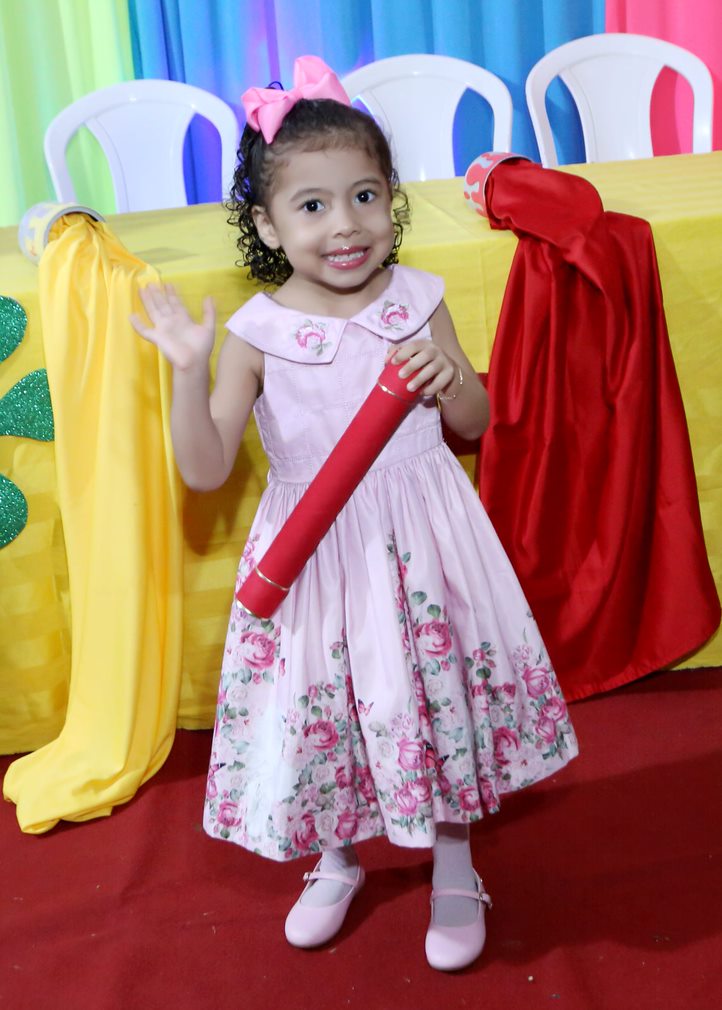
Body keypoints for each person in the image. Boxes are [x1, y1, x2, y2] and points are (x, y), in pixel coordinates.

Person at [130, 55, 578, 972]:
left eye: (365, 196)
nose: (346, 224)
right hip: (317, 561)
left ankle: (453, 858)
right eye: (313, 205)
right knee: (329, 703)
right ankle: (337, 857)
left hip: (426, 541)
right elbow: (206, 471)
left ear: (391, 199)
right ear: (267, 224)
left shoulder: (419, 297)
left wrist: (450, 378)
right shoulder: (255, 336)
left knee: (435, 691)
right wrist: (187, 367)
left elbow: (475, 423)